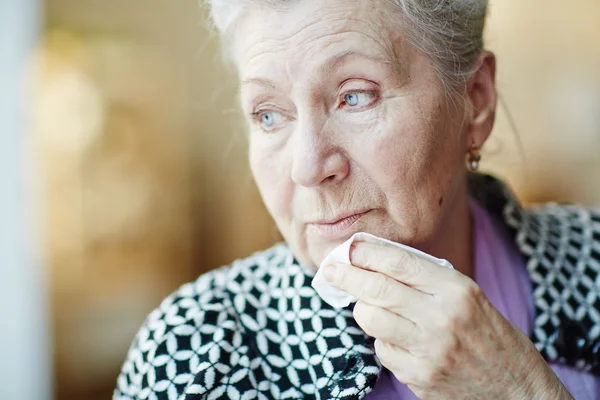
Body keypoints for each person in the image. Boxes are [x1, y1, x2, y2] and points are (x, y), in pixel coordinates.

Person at [114, 0, 600, 398]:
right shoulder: (195, 351)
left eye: (355, 96)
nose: (308, 167)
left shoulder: (592, 260)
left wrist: (520, 391)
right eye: (267, 115)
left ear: (475, 98)